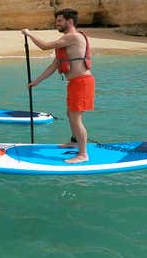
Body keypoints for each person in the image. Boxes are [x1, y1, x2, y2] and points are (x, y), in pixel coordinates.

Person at [22, 8, 94, 164]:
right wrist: (37, 81)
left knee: (76, 118)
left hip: (82, 82)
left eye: (60, 21)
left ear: (69, 21)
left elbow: (44, 46)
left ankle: (83, 154)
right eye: (57, 21)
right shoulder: (66, 42)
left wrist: (29, 33)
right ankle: (75, 141)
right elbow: (55, 64)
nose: (57, 23)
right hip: (75, 82)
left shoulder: (73, 37)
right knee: (70, 114)